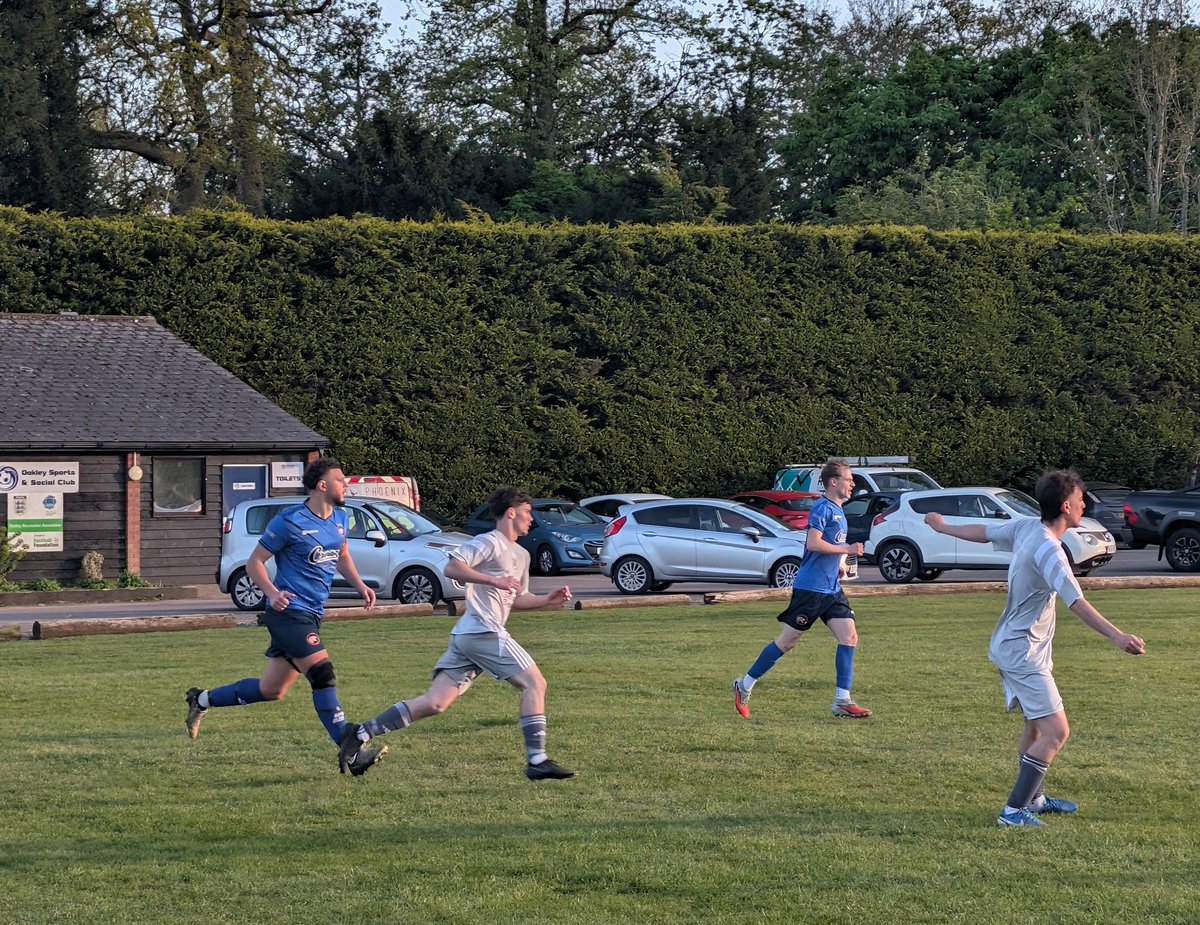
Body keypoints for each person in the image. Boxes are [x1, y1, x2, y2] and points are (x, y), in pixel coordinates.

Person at [925, 470, 1145, 827]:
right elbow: (1077, 602)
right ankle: (1013, 812)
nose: (1084, 505)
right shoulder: (1050, 550)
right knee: (1057, 731)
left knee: (1036, 726)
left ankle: (1036, 799)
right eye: (1080, 500)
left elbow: (984, 532)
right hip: (1022, 653)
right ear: (1065, 506)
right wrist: (1118, 637)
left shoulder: (1028, 527)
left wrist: (943, 526)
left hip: (1020, 647)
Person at [337, 486, 576, 781]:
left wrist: (547, 600)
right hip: (484, 631)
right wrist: (493, 580)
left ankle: (360, 734)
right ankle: (537, 760)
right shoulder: (489, 542)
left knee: (435, 703)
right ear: (510, 513)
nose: (531, 518)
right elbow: (452, 567)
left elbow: (518, 598)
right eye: (527, 512)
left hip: (467, 637)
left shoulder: (521, 555)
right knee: (535, 683)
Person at [184, 457, 387, 776]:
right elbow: (254, 563)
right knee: (322, 674)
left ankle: (201, 700)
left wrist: (360, 585)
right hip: (288, 612)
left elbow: (342, 554)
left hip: (312, 614)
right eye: (340, 479)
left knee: (271, 689)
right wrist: (272, 592)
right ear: (322, 485)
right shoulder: (289, 521)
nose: (346, 484)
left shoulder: (340, 518)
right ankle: (349, 746)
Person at [733, 458, 872, 720]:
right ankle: (745, 684)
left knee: (849, 637)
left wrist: (839, 565)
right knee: (787, 641)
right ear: (833, 482)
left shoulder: (838, 510)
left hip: (831, 589)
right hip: (811, 589)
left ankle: (842, 700)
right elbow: (813, 544)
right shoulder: (822, 508)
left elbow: (828, 548)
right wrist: (846, 549)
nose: (853, 483)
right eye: (849, 479)